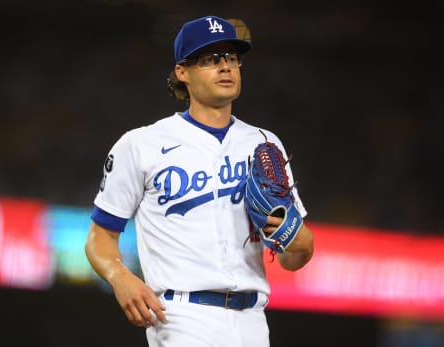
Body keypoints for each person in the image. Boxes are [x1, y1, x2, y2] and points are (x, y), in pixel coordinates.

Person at [85, 15, 314, 347]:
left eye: (231, 58)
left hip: (253, 320)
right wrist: (120, 276)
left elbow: (292, 256)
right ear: (182, 72)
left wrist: (300, 244)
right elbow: (100, 234)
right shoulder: (142, 144)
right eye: (210, 59)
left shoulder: (265, 144)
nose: (225, 67)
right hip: (181, 316)